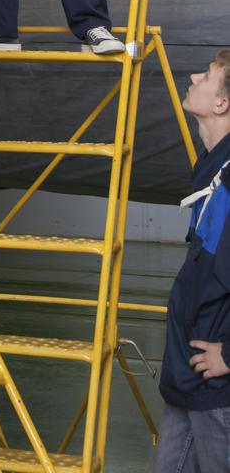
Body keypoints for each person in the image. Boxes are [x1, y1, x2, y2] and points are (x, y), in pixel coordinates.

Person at [153, 51, 230, 471]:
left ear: (222, 103)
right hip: (187, 381)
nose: (194, 76)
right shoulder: (211, 171)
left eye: (207, 75)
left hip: (218, 389)